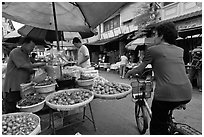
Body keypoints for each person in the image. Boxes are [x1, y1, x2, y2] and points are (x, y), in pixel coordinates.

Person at [125, 22, 192, 135]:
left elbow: (139, 69)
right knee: (165, 118)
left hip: (166, 94)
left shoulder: (153, 50)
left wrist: (128, 73)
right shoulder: (179, 50)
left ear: (161, 36)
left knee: (157, 127)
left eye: (155, 34)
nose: (154, 37)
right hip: (186, 93)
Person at [3, 37, 46, 113]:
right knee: (12, 109)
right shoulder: (15, 52)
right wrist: (39, 64)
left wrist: (36, 74)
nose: (32, 49)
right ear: (25, 44)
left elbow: (29, 69)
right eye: (31, 47)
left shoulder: (26, 55)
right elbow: (22, 65)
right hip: (13, 88)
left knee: (22, 108)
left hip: (22, 88)